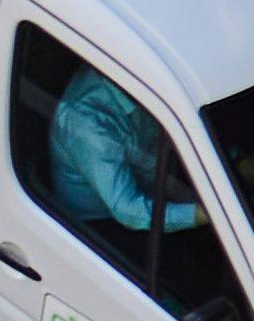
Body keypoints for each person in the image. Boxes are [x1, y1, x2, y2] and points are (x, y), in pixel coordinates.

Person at [51, 67, 204, 246]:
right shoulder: (87, 124)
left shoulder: (142, 84)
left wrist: (236, 159)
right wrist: (204, 215)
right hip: (104, 225)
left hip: (159, 172)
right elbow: (128, 211)